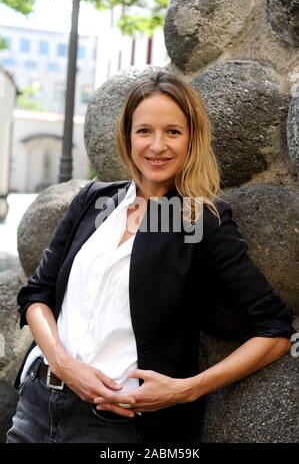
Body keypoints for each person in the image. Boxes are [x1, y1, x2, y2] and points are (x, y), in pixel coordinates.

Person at [7, 71, 295, 444]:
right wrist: (63, 362)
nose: (157, 145)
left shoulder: (200, 220)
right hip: (35, 405)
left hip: (117, 426)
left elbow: (274, 330)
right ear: (128, 136)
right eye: (144, 131)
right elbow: (37, 294)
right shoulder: (94, 201)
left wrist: (188, 389)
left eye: (172, 132)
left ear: (193, 139)